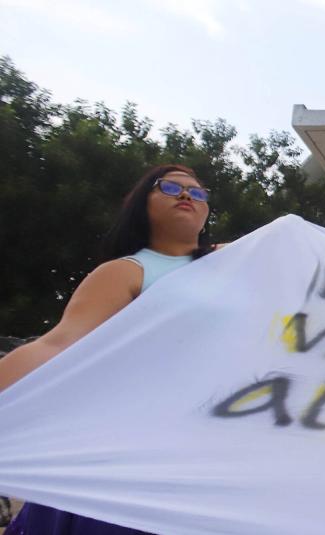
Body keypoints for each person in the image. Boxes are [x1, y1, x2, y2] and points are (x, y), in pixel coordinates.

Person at [0, 164, 215, 534]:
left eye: (197, 192)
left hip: (219, 444)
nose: (185, 195)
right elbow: (59, 343)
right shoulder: (128, 270)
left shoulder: (235, 262)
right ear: (140, 203)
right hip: (140, 451)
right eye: (169, 187)